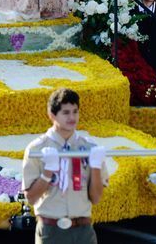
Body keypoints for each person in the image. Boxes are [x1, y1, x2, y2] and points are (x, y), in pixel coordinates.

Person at [21, 88, 107, 244]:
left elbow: (96, 198)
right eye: (66, 112)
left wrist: (95, 167)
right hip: (51, 231)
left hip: (83, 231)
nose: (72, 117)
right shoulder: (37, 149)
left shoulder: (90, 148)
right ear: (52, 115)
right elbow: (31, 198)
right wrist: (48, 172)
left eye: (75, 111)